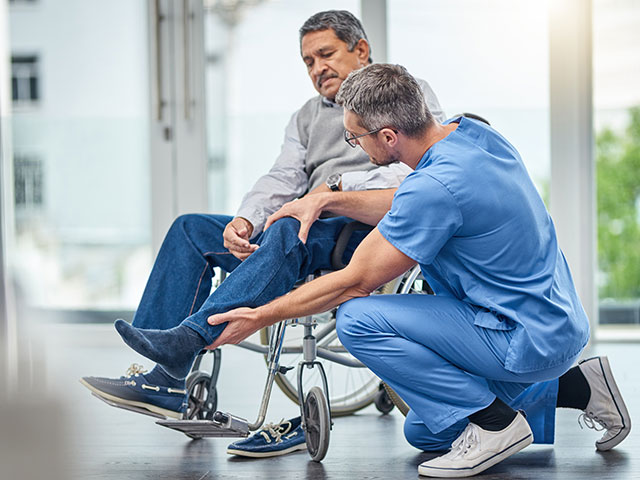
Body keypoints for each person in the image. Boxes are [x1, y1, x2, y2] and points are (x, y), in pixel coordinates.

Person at [200, 64, 630, 476]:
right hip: (556, 320)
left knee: (357, 317)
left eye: (354, 140)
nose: (355, 147)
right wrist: (327, 200)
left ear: (388, 137)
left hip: (522, 337)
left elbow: (357, 280)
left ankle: (495, 424)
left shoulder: (433, 188)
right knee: (426, 429)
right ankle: (581, 386)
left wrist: (260, 315)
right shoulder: (473, 135)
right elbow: (416, 200)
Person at [80, 10, 444, 457]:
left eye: (326, 54)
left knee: (290, 222)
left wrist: (332, 191)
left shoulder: (405, 94)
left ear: (361, 50)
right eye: (308, 62)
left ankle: (188, 339)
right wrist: (245, 221)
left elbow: (421, 170)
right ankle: (163, 377)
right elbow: (281, 178)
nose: (317, 69)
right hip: (293, 228)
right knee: (191, 229)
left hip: (351, 233)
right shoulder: (307, 117)